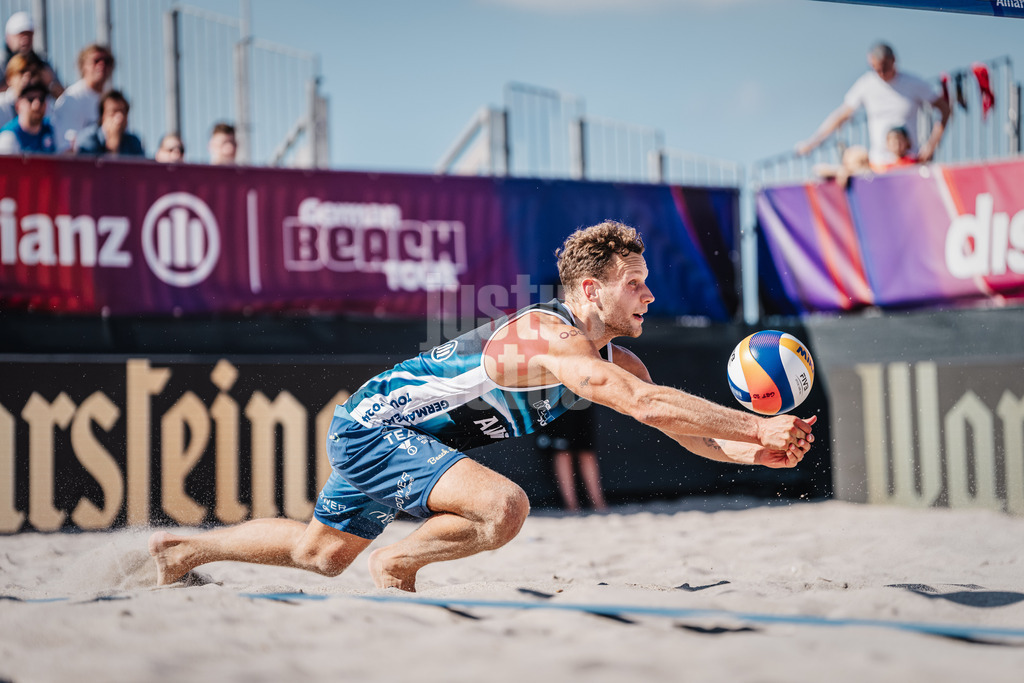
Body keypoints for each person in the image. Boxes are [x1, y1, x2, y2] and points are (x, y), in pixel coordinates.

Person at [149, 221, 817, 592]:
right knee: (504, 506)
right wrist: (758, 421)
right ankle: (398, 563)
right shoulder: (548, 334)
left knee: (321, 554)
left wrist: (756, 448)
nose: (648, 296)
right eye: (635, 284)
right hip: (378, 426)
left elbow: (675, 425)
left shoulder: (616, 357)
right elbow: (640, 402)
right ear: (590, 289)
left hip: (387, 434)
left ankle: (183, 549)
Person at [796, 42, 950, 167]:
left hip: (910, 163)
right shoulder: (866, 84)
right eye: (876, 69)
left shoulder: (913, 83)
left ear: (893, 61)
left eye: (884, 68)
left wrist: (932, 145)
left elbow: (945, 109)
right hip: (879, 165)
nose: (881, 74)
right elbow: (842, 115)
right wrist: (813, 142)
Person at [535, 401, 607, 512]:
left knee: (586, 451)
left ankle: (599, 503)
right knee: (563, 451)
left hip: (582, 395)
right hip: (556, 396)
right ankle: (571, 505)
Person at [51, 43, 114, 151]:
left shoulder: (111, 99)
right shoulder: (71, 98)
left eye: (107, 61)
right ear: (83, 66)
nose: (102, 65)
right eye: (96, 61)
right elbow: (68, 146)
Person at [1, 12, 61, 98]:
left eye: (29, 34)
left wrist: (49, 83)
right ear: (8, 38)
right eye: (21, 34)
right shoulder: (1, 63)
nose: (26, 39)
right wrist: (15, 86)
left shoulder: (43, 64)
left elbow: (62, 96)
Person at [74, 90, 145, 157]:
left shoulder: (133, 142)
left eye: (124, 112)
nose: (120, 118)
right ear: (102, 117)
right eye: (113, 112)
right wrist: (113, 145)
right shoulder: (88, 139)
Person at [0, 80, 56, 154]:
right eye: (30, 99)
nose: (37, 105)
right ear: (17, 105)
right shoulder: (8, 137)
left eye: (41, 99)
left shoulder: (53, 128)